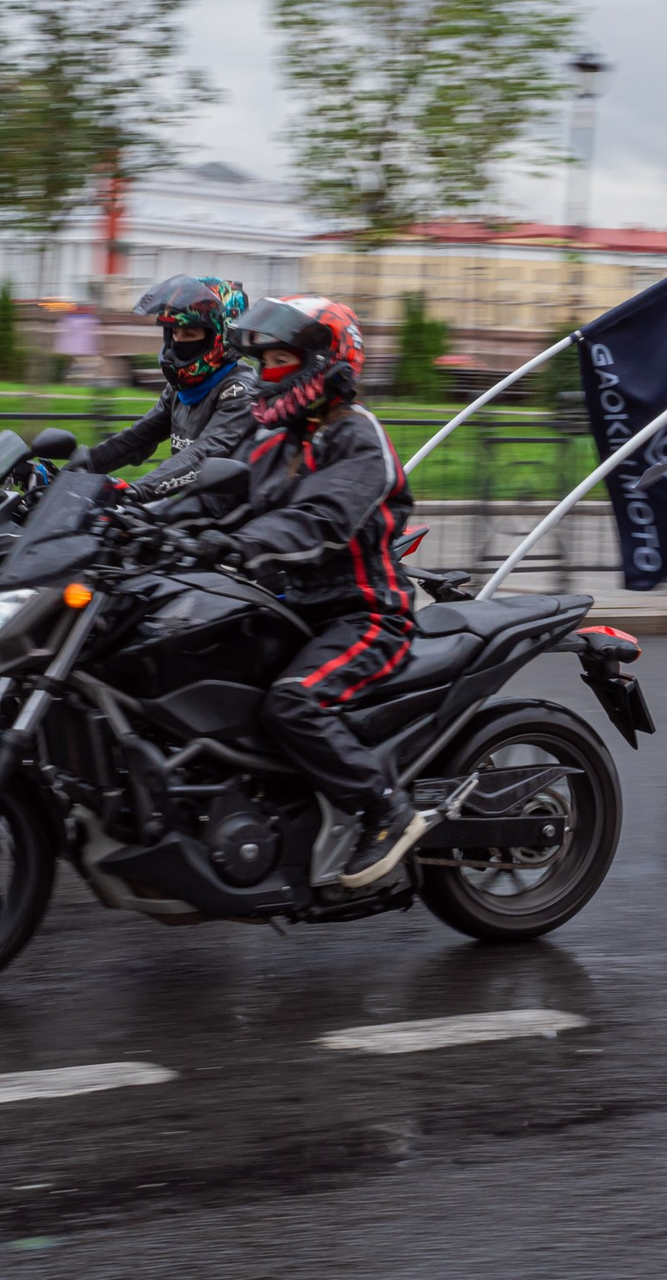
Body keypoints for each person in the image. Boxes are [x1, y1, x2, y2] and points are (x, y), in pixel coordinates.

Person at [185, 294, 436, 890]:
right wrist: (134, 520)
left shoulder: (356, 436)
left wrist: (237, 544)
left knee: (293, 702)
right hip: (289, 610)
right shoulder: (271, 442)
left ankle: (385, 810)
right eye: (264, 357)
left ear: (325, 364)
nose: (268, 371)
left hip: (363, 611)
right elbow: (211, 495)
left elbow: (319, 518)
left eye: (281, 357)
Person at [85, 276, 258, 498]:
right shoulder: (181, 390)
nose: (177, 342)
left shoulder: (239, 392)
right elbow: (137, 438)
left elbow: (205, 452)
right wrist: (83, 465)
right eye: (174, 333)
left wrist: (138, 490)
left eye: (189, 334)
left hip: (230, 518)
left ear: (222, 336)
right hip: (185, 511)